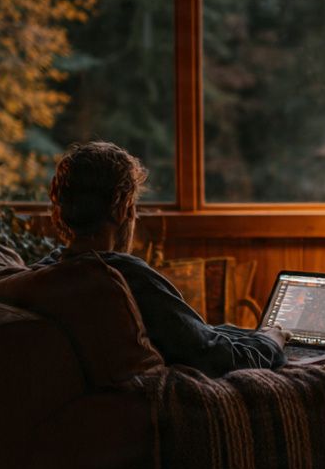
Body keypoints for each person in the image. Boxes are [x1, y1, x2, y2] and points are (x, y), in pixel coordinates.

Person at [36, 141, 290, 376]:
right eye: (133, 205)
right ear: (121, 207)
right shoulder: (125, 276)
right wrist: (270, 342)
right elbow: (211, 354)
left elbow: (197, 335)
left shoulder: (44, 273)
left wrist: (254, 335)